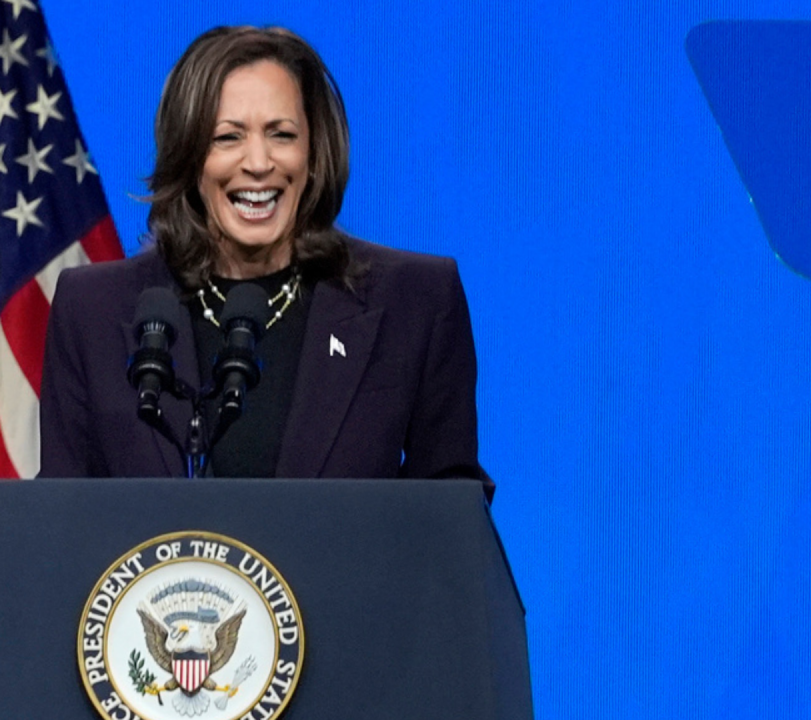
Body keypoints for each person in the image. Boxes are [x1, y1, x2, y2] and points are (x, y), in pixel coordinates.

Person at [39, 26, 490, 493]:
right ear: (190, 156)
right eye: (228, 138)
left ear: (314, 153)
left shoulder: (414, 301)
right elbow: (62, 521)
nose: (258, 162)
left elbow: (451, 522)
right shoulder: (91, 308)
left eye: (282, 134)